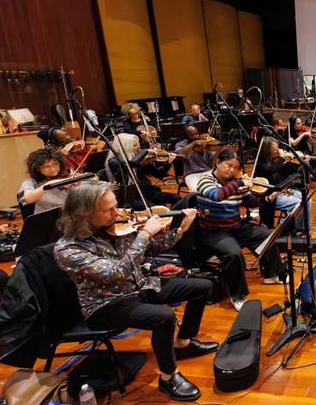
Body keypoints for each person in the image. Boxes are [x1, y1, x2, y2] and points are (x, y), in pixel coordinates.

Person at [54, 181, 217, 401]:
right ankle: (169, 377)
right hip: (106, 305)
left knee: (203, 286)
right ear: (84, 213)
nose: (117, 213)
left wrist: (181, 229)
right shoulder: (68, 249)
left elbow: (152, 248)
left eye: (116, 206)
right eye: (108, 210)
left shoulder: (115, 227)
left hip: (140, 287)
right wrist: (144, 234)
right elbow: (116, 272)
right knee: (164, 317)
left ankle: (183, 342)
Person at [196, 149, 286, 311]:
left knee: (266, 235)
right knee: (233, 253)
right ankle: (237, 296)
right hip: (213, 231)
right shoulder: (205, 180)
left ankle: (271, 274)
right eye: (228, 165)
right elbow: (216, 196)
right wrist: (239, 183)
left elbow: (250, 202)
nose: (232, 170)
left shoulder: (234, 182)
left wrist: (268, 198)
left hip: (235, 226)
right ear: (218, 163)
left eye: (235, 167)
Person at [106, 133, 181, 209]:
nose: (138, 148)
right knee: (159, 209)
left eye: (138, 145)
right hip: (131, 197)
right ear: (125, 147)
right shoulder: (114, 161)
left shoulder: (139, 158)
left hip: (146, 192)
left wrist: (168, 162)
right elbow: (130, 164)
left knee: (177, 198)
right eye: (135, 146)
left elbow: (159, 175)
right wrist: (145, 151)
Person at [254, 137, 312, 231]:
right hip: (272, 196)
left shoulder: (275, 161)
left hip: (283, 191)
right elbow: (271, 170)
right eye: (275, 149)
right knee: (298, 203)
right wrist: (282, 157)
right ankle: (287, 227)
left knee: (307, 199)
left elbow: (289, 173)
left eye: (278, 148)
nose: (278, 151)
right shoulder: (260, 164)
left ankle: (302, 229)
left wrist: (300, 162)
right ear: (267, 150)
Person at [18, 149, 71, 214]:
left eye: (55, 164)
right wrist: (49, 184)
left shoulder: (68, 178)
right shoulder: (30, 182)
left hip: (70, 216)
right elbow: (28, 198)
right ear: (37, 168)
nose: (53, 168)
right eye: (47, 166)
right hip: (47, 220)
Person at [174, 125, 217, 192]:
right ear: (187, 136)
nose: (196, 137)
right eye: (192, 135)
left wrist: (219, 151)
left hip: (209, 171)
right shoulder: (181, 144)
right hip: (191, 174)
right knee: (196, 191)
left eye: (196, 134)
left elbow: (212, 163)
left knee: (217, 189)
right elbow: (180, 153)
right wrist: (193, 143)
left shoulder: (205, 142)